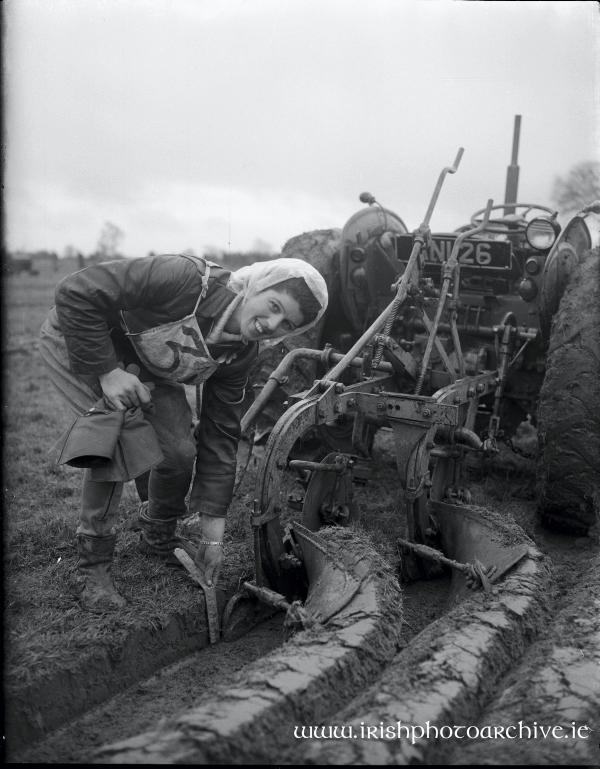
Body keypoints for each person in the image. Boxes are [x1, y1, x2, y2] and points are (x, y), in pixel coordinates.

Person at [40, 253, 328, 612]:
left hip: (145, 365)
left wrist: (213, 533)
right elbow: (75, 291)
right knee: (114, 435)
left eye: (286, 324)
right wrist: (107, 372)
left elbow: (220, 435)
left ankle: (158, 535)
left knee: (178, 450)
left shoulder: (239, 355)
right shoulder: (184, 279)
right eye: (273, 306)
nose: (272, 323)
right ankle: (92, 566)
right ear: (258, 285)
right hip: (81, 339)